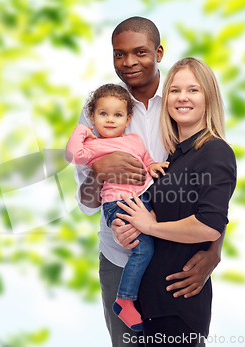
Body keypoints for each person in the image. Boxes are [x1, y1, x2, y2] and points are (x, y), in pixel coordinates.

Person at [74, 17, 224, 347]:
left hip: (175, 258)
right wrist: (98, 173)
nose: (128, 62)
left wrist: (215, 248)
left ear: (158, 53)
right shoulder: (100, 110)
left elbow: (211, 185)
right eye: (118, 54)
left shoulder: (178, 103)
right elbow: (85, 202)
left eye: (140, 52)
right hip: (119, 256)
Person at [113, 57, 237, 346]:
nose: (182, 98)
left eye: (193, 90)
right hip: (151, 307)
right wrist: (128, 226)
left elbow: (210, 225)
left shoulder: (215, 151)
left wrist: (149, 226)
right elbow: (164, 215)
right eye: (174, 90)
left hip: (177, 309)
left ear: (209, 98)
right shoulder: (173, 159)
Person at [66, 83, 169, 332]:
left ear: (127, 119)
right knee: (142, 250)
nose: (110, 120)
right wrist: (82, 130)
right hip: (117, 205)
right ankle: (124, 300)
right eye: (103, 114)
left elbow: (146, 160)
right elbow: (72, 155)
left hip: (141, 200)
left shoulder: (134, 140)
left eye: (117, 115)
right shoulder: (92, 146)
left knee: (149, 246)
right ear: (92, 117)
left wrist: (152, 166)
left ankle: (126, 299)